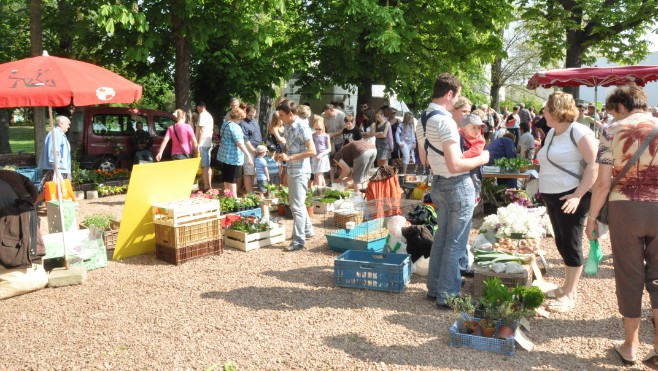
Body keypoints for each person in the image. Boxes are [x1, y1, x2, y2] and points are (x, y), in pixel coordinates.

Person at [585, 84, 658, 367]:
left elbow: (602, 183)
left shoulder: (611, 131)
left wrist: (592, 219)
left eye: (614, 111)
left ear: (622, 107)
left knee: (629, 276)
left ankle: (630, 346)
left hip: (624, 208)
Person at [415, 73, 489, 308]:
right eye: (456, 96)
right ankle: (448, 295)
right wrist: (482, 158)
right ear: (450, 94)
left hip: (438, 183)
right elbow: (455, 165)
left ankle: (435, 288)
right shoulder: (445, 121)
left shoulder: (423, 119)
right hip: (457, 184)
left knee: (442, 239)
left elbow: (424, 159)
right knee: (455, 242)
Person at [536, 91, 598, 313]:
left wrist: (577, 195)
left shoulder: (579, 131)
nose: (543, 112)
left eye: (546, 108)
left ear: (556, 110)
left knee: (571, 244)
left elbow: (594, 165)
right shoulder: (553, 133)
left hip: (570, 196)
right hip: (554, 196)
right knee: (561, 242)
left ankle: (570, 294)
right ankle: (566, 288)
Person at [275, 100, 316, 251]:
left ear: (290, 114)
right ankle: (308, 230)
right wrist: (282, 154)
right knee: (298, 203)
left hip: (300, 171)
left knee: (296, 206)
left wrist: (289, 158)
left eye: (282, 115)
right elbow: (289, 144)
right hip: (292, 169)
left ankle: (299, 241)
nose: (280, 118)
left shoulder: (302, 126)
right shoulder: (287, 124)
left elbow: (312, 151)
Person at [216, 108, 253, 197]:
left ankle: (227, 198)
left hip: (224, 156)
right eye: (242, 118)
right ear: (239, 117)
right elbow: (239, 143)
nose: (242, 120)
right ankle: (234, 199)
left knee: (226, 179)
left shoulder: (225, 124)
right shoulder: (235, 127)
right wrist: (248, 155)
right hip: (232, 157)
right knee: (232, 180)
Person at [37, 115, 72, 203]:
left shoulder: (60, 134)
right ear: (61, 124)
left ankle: (48, 204)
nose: (69, 126)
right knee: (50, 187)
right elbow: (54, 149)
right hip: (54, 168)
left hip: (59, 168)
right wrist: (56, 165)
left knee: (55, 188)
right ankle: (34, 203)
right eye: (67, 124)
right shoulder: (56, 133)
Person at [459, 113, 486, 199]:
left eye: (479, 128)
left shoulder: (479, 140)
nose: (477, 130)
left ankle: (476, 195)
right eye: (474, 127)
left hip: (474, 165)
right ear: (464, 128)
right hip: (463, 164)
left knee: (475, 178)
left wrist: (464, 155)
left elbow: (477, 150)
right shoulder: (459, 135)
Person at [240, 105, 262, 194]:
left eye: (253, 115)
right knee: (248, 171)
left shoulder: (254, 121)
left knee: (253, 172)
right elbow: (246, 140)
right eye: (250, 115)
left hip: (257, 147)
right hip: (249, 149)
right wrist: (253, 150)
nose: (252, 117)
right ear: (246, 113)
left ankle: (250, 190)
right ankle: (249, 192)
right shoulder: (243, 124)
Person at [321, 104, 346, 181]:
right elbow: (322, 127)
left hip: (339, 140)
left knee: (340, 161)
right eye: (326, 114)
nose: (327, 116)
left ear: (333, 110)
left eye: (329, 114)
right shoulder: (323, 115)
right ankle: (331, 181)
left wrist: (333, 134)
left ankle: (340, 179)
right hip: (329, 141)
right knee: (330, 161)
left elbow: (344, 129)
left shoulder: (341, 115)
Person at [196, 102, 214, 191]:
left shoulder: (202, 115)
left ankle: (207, 186)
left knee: (205, 166)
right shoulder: (209, 115)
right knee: (208, 165)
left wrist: (198, 144)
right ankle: (209, 185)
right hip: (208, 142)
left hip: (203, 143)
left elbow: (202, 130)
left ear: (198, 107)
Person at [311, 115, 331, 187]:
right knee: (319, 174)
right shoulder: (312, 135)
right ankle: (323, 188)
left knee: (319, 174)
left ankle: (319, 190)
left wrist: (321, 154)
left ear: (323, 128)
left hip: (322, 157)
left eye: (319, 129)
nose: (318, 131)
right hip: (315, 156)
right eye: (316, 129)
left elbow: (329, 148)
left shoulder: (326, 136)